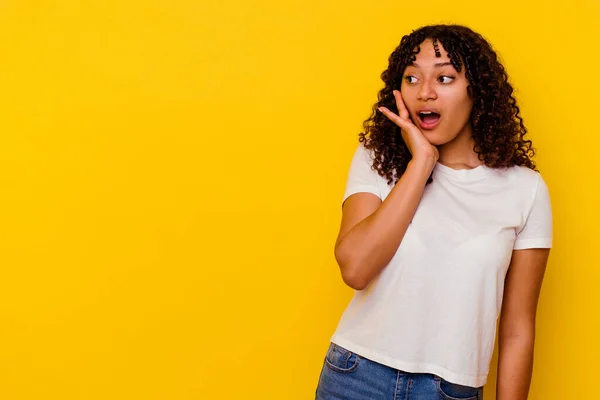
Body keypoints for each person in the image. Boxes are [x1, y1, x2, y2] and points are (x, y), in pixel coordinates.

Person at [315, 24, 553, 400]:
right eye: (412, 77)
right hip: (355, 377)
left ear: (478, 92)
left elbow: (517, 330)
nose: (425, 92)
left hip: (449, 392)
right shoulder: (378, 161)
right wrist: (422, 162)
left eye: (444, 78)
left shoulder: (525, 190)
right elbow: (355, 268)